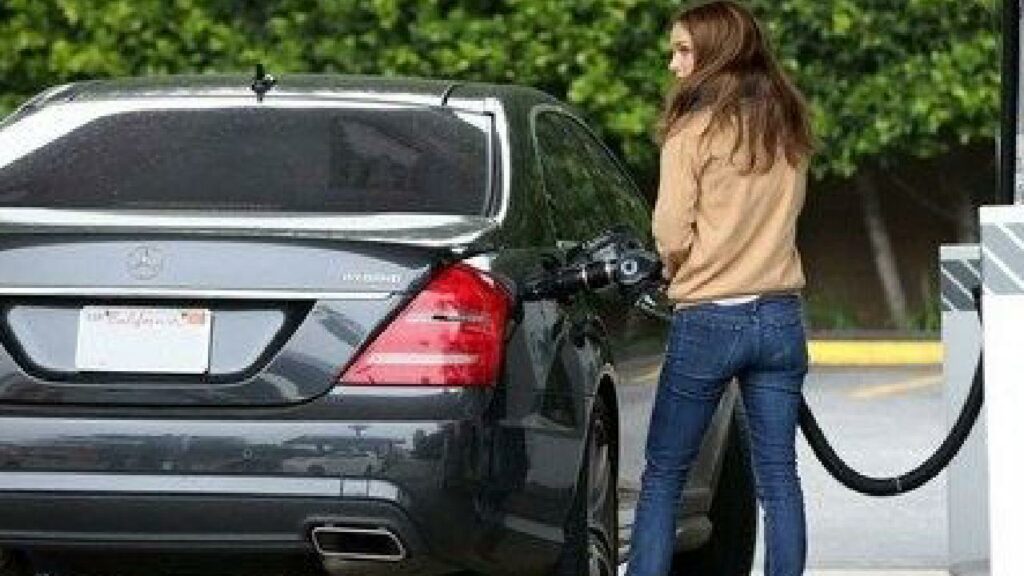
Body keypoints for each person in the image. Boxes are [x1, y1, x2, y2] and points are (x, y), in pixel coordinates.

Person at [624, 2, 815, 576]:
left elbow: (669, 230)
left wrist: (674, 269)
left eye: (683, 49)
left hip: (710, 318)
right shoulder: (788, 125)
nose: (674, 62)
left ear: (716, 53)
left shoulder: (693, 129)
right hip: (781, 317)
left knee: (663, 475)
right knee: (779, 477)